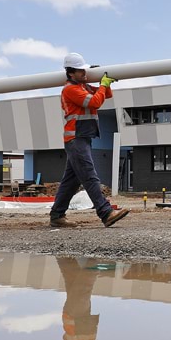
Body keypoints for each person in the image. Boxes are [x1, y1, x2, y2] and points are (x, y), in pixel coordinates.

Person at [48, 52, 130, 229]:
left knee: (71, 181)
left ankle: (57, 216)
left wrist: (103, 82)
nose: (84, 73)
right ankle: (105, 212)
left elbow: (106, 95)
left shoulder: (83, 86)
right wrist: (102, 84)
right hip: (76, 138)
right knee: (90, 176)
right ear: (71, 73)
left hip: (82, 138)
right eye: (80, 71)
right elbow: (94, 102)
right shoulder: (70, 89)